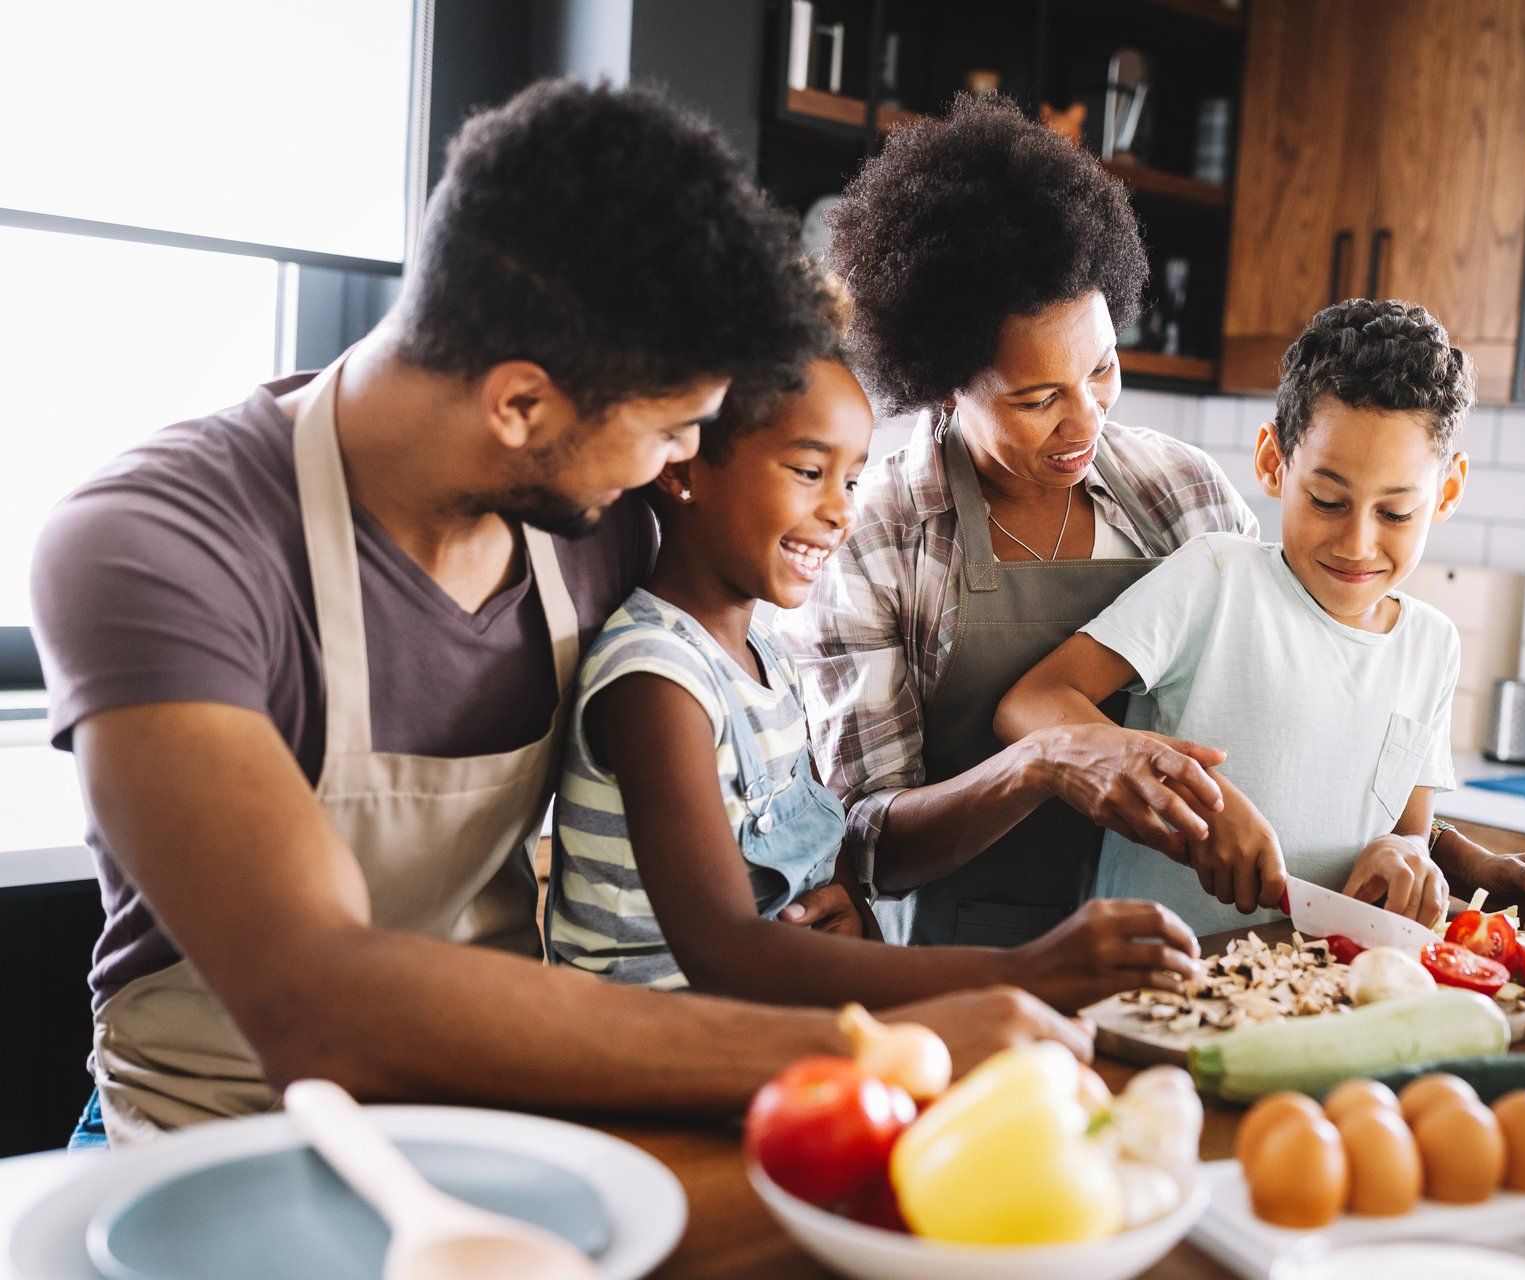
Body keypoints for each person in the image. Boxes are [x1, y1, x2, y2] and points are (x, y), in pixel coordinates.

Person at [31, 81, 1084, 1148]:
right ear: (521, 404)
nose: (685, 461)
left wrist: (809, 897)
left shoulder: (598, 521)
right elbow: (319, 1002)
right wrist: (872, 1041)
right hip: (209, 1136)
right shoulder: (152, 547)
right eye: (676, 428)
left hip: (494, 1120)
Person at [545, 335, 1202, 1009]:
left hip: (752, 1027)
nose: (841, 512)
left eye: (851, 480)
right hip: (652, 1050)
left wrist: (848, 910)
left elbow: (813, 876)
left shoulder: (763, 660)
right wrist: (1024, 974)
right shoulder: (657, 680)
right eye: (809, 473)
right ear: (682, 470)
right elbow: (725, 951)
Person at [780, 95, 1258, 950]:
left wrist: (1429, 841)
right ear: (944, 383)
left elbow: (1281, 711)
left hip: (1181, 950)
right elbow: (870, 840)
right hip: (962, 965)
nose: (1087, 423)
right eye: (1040, 399)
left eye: (1103, 370)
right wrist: (1045, 763)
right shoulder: (877, 533)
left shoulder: (1183, 495)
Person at [997, 300, 1525, 935]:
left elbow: (1407, 833)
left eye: (1395, 513)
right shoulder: (1217, 580)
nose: (1358, 543)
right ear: (1273, 463)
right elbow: (1031, 703)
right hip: (1157, 981)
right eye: (1327, 500)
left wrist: (1402, 856)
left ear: (1446, 492)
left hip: (1318, 994)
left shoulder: (1432, 646)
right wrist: (1192, 794)